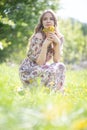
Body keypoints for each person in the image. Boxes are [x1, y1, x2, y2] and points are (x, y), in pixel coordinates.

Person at [19, 9, 66, 92]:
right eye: (45, 19)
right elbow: (39, 63)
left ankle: (55, 93)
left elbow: (56, 60)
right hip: (29, 69)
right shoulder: (38, 36)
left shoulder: (59, 37)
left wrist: (57, 43)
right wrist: (45, 45)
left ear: (55, 22)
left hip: (42, 67)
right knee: (50, 70)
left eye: (51, 19)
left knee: (61, 66)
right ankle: (41, 92)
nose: (48, 21)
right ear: (42, 23)